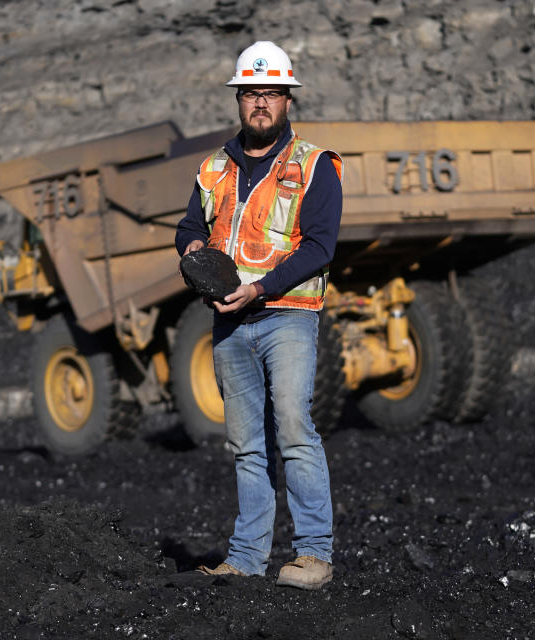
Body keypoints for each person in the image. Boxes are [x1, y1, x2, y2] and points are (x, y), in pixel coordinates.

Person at [175, 41, 344, 590]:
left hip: (288, 316)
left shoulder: (314, 165)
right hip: (229, 324)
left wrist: (260, 289)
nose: (261, 103)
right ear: (239, 99)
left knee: (294, 429)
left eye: (271, 93)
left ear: (288, 100)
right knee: (246, 446)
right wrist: (192, 254)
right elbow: (188, 229)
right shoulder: (214, 167)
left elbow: (320, 247)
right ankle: (247, 557)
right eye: (251, 92)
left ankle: (313, 556)